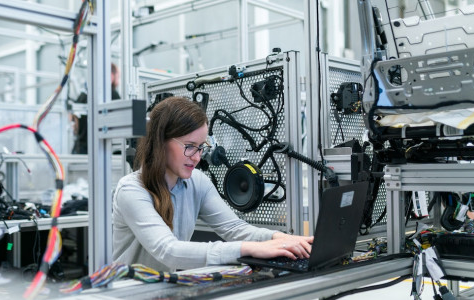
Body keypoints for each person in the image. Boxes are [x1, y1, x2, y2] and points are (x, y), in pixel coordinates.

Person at [112, 96, 313, 272]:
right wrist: (249, 249)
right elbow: (169, 251)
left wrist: (281, 238)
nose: (197, 157)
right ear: (160, 142)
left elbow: (235, 228)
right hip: (129, 292)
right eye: (190, 147)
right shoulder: (132, 190)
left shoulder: (197, 182)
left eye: (201, 147)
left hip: (163, 289)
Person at [70, 63, 121, 154]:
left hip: (79, 149)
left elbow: (72, 118)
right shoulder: (112, 94)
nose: (118, 80)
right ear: (111, 75)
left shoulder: (84, 94)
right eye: (118, 76)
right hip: (98, 149)